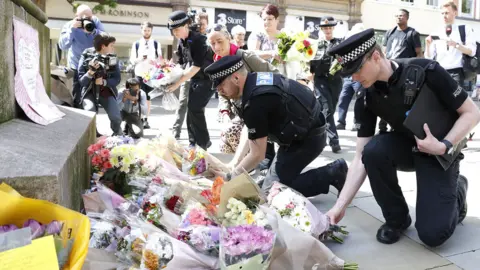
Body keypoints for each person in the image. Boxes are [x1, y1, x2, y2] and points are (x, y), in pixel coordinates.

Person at [326, 28, 480, 247]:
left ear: (376, 56)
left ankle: (458, 191)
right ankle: (396, 219)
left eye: (357, 69)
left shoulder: (427, 71)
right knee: (373, 151)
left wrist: (444, 145)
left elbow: (472, 112)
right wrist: (338, 208)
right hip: (408, 146)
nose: (354, 77)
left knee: (433, 235)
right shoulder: (366, 96)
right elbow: (360, 155)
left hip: (439, 151)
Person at [205, 55, 348, 198]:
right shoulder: (254, 80)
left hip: (307, 140)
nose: (219, 90)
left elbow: (257, 154)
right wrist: (234, 165)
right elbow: (250, 129)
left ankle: (332, 172)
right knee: (266, 185)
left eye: (221, 85)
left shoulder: (255, 101)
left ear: (236, 78)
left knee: (271, 193)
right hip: (303, 130)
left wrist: (230, 177)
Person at [206, 24, 279, 171]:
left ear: (228, 38)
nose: (216, 46)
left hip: (261, 108)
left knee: (259, 143)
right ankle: (245, 166)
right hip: (241, 110)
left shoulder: (245, 56)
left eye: (220, 41)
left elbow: (274, 74)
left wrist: (260, 94)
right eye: (212, 43)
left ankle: (259, 163)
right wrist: (225, 112)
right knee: (229, 134)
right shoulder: (217, 62)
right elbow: (222, 91)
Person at [165, 11, 214, 149]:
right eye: (173, 30)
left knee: (195, 108)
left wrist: (177, 84)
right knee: (190, 109)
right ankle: (193, 142)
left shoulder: (199, 39)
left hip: (207, 79)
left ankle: (203, 143)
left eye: (177, 29)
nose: (175, 32)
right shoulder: (182, 41)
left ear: (187, 25)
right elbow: (181, 64)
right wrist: (167, 73)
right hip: (194, 79)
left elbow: (196, 66)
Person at [378, 8, 423, 133]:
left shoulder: (412, 33)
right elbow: (384, 51)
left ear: (407, 18)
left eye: (402, 15)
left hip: (405, 72)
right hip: (389, 70)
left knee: (401, 101)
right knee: (385, 99)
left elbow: (419, 53)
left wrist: (418, 71)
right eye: (397, 15)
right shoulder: (390, 32)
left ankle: (397, 127)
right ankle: (382, 127)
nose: (399, 17)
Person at [58, 4, 105, 108]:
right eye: (83, 18)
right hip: (76, 66)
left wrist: (94, 31)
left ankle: (92, 117)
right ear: (77, 16)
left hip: (94, 66)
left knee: (93, 96)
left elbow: (106, 38)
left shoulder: (95, 22)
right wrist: (72, 29)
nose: (87, 20)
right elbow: (63, 46)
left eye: (89, 17)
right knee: (78, 96)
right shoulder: (69, 25)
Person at [78, 33, 122, 136]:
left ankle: (117, 134)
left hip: (106, 91)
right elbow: (81, 81)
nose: (113, 48)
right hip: (89, 91)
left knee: (116, 117)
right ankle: (93, 134)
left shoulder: (113, 58)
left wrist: (104, 82)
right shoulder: (86, 55)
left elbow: (117, 79)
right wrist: (90, 72)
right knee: (89, 112)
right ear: (103, 46)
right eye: (111, 45)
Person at [310, 16, 343, 153]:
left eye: (329, 27)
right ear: (321, 29)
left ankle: (316, 132)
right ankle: (334, 141)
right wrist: (309, 75)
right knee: (327, 109)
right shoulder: (315, 44)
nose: (327, 30)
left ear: (333, 28)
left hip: (335, 81)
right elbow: (308, 61)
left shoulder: (340, 43)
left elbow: (345, 59)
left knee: (330, 110)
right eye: (325, 28)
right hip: (320, 80)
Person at [129, 21, 162, 130]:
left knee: (148, 98)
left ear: (151, 30)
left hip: (151, 74)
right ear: (141, 30)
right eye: (145, 30)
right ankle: (138, 117)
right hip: (139, 73)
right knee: (138, 96)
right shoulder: (137, 44)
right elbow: (132, 59)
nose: (147, 32)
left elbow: (160, 59)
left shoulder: (156, 43)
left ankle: (145, 120)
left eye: (148, 30)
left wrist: (155, 62)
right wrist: (140, 59)